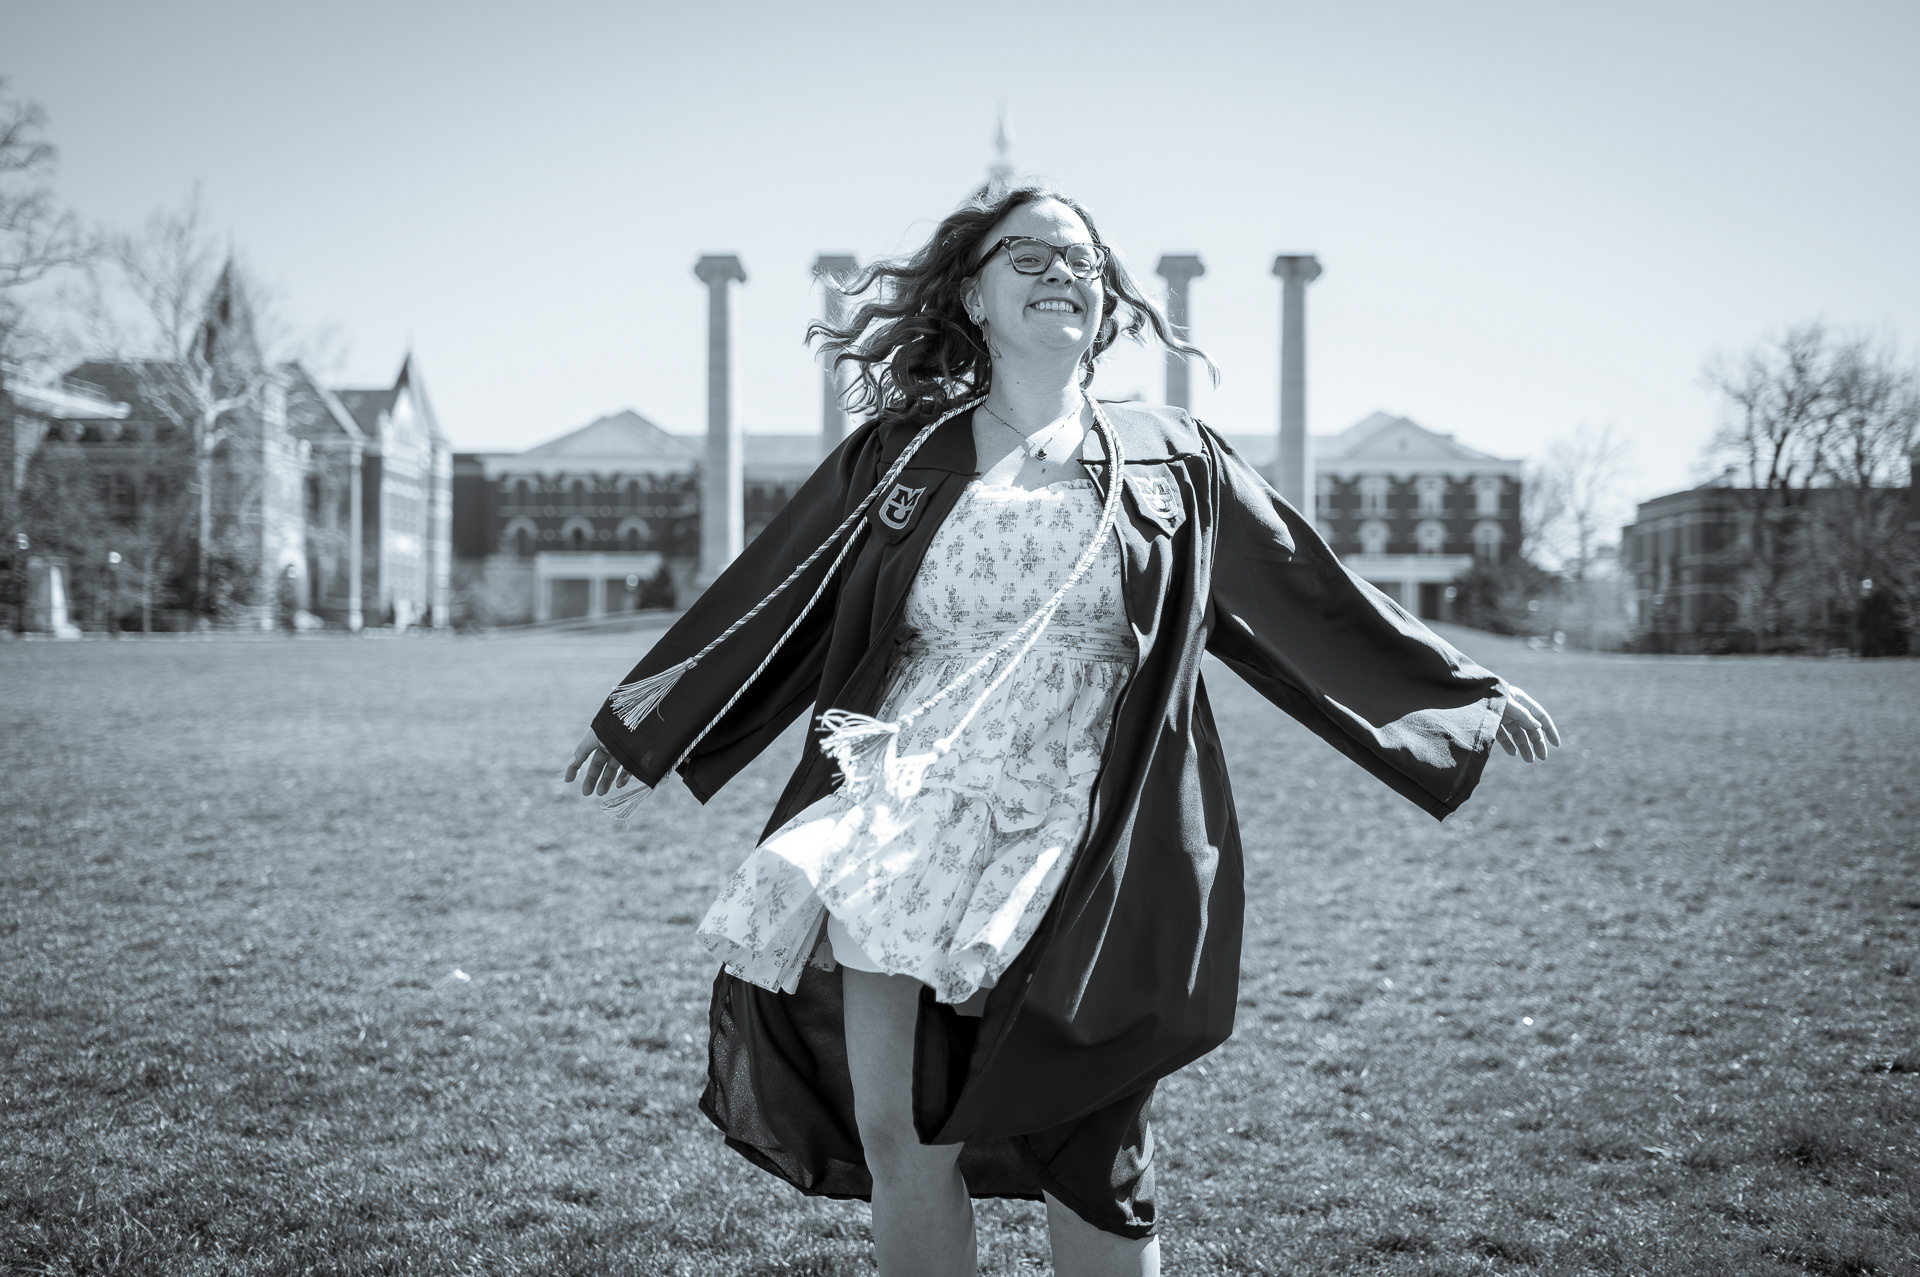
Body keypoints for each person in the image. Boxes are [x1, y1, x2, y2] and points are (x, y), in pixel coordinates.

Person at [565, 186, 1559, 1277]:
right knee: (903, 1133)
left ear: (1109, 300)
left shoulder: (1174, 461)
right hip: (904, 814)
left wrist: (1452, 692)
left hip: (1087, 821)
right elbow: (777, 587)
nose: (1061, 273)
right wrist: (646, 717)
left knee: (1094, 1144)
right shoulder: (903, 454)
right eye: (1028, 254)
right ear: (974, 292)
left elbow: (1304, 593)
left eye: (1081, 260)